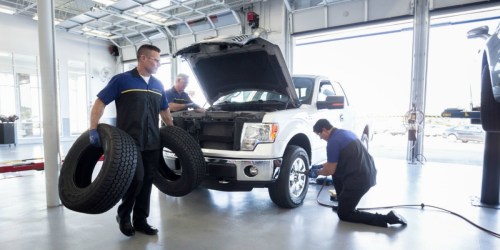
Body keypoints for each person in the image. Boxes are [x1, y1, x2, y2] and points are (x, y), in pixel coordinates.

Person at [89, 44, 174, 236]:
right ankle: (124, 215)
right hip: (129, 142)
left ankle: (141, 220)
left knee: (147, 181)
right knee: (136, 179)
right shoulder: (122, 80)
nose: (159, 63)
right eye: (156, 59)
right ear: (143, 58)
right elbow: (100, 102)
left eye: (160, 60)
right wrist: (93, 128)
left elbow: (165, 111)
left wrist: (175, 135)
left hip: (153, 141)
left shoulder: (158, 84)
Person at [307, 119, 407, 228]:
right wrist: (321, 166)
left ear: (324, 130)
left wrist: (316, 173)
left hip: (359, 181)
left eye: (319, 135)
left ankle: (387, 218)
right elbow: (335, 161)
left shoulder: (332, 142)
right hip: (368, 173)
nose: (320, 138)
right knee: (336, 174)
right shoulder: (345, 133)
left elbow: (330, 170)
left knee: (344, 214)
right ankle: (343, 205)